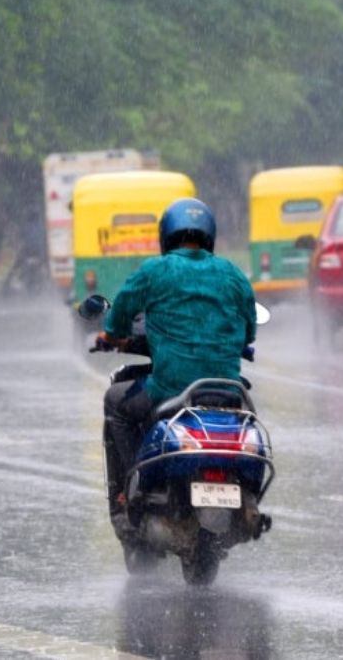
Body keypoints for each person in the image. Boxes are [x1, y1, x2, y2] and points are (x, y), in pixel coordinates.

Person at [97, 197, 256, 536]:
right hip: (227, 391)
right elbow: (250, 329)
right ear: (209, 235)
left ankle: (131, 485)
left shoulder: (155, 270)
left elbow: (120, 312)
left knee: (116, 402)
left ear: (166, 235)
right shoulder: (232, 274)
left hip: (169, 390)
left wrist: (113, 335)